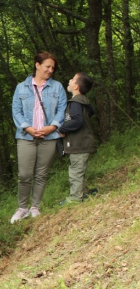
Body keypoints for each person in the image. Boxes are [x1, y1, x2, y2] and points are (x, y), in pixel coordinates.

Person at [11, 51, 67, 223]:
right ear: (37, 65)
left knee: (41, 174)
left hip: (49, 137)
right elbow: (16, 111)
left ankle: (35, 207)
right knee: (25, 174)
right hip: (25, 137)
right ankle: (22, 208)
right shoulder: (21, 87)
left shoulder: (57, 87)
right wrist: (28, 128)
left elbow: (62, 109)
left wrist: (51, 128)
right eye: (47, 66)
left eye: (53, 68)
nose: (50, 70)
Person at [58, 72, 95, 204]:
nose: (69, 80)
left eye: (72, 79)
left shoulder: (75, 103)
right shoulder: (83, 102)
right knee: (79, 169)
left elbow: (78, 121)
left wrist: (62, 128)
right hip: (82, 142)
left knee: (75, 171)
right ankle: (80, 193)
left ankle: (75, 197)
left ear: (76, 87)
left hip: (79, 144)